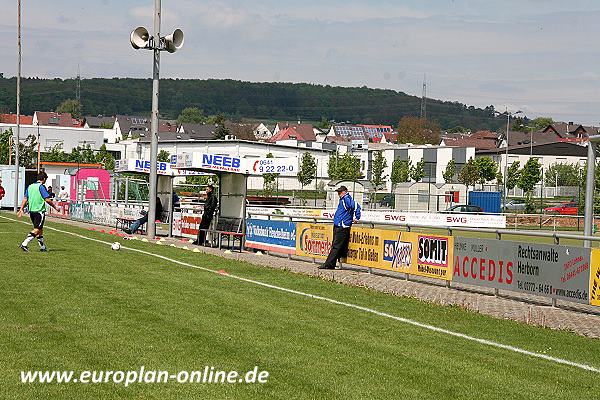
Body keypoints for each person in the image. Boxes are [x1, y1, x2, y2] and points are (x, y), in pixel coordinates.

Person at [319, 185, 361, 270]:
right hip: (339, 225)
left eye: (340, 192)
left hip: (342, 226)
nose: (339, 194)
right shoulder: (344, 199)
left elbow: (356, 206)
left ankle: (329, 264)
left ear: (345, 191)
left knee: (336, 246)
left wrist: (357, 217)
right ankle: (333, 262)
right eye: (338, 192)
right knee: (338, 246)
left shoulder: (346, 199)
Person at [17, 172, 59, 252]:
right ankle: (24, 244)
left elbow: (25, 198)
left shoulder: (30, 186)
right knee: (37, 229)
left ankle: (42, 247)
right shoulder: (41, 186)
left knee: (40, 229)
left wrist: (21, 208)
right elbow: (46, 199)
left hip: (32, 211)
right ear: (44, 179)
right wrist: (55, 207)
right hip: (39, 211)